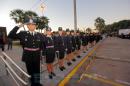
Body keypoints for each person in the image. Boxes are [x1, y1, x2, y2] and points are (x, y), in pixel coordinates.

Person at [8, 17, 44, 86]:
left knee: (37, 71)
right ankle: (33, 84)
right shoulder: (23, 34)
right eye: (29, 24)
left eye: (33, 24)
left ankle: (37, 83)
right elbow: (10, 35)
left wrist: (41, 54)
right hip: (28, 56)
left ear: (36, 26)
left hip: (37, 56)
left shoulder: (39, 35)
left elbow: (42, 44)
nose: (31, 26)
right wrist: (19, 26)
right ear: (27, 26)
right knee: (30, 71)